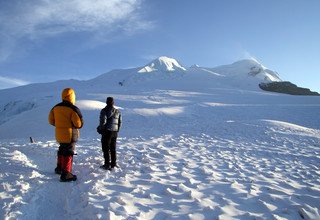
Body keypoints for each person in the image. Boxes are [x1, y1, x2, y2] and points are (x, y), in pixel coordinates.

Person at [48, 88, 83, 182]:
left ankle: (59, 168)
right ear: (72, 96)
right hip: (70, 134)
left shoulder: (55, 107)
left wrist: (60, 125)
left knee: (61, 149)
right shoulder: (73, 109)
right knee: (68, 151)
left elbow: (51, 120)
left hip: (59, 134)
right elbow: (78, 124)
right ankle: (66, 173)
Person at [97, 97, 122, 170]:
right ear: (113, 102)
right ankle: (113, 164)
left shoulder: (104, 111)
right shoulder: (118, 111)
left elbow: (103, 122)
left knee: (106, 148)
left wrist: (100, 129)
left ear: (106, 102)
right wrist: (117, 130)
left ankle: (107, 164)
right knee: (113, 148)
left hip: (107, 132)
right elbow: (120, 122)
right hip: (115, 132)